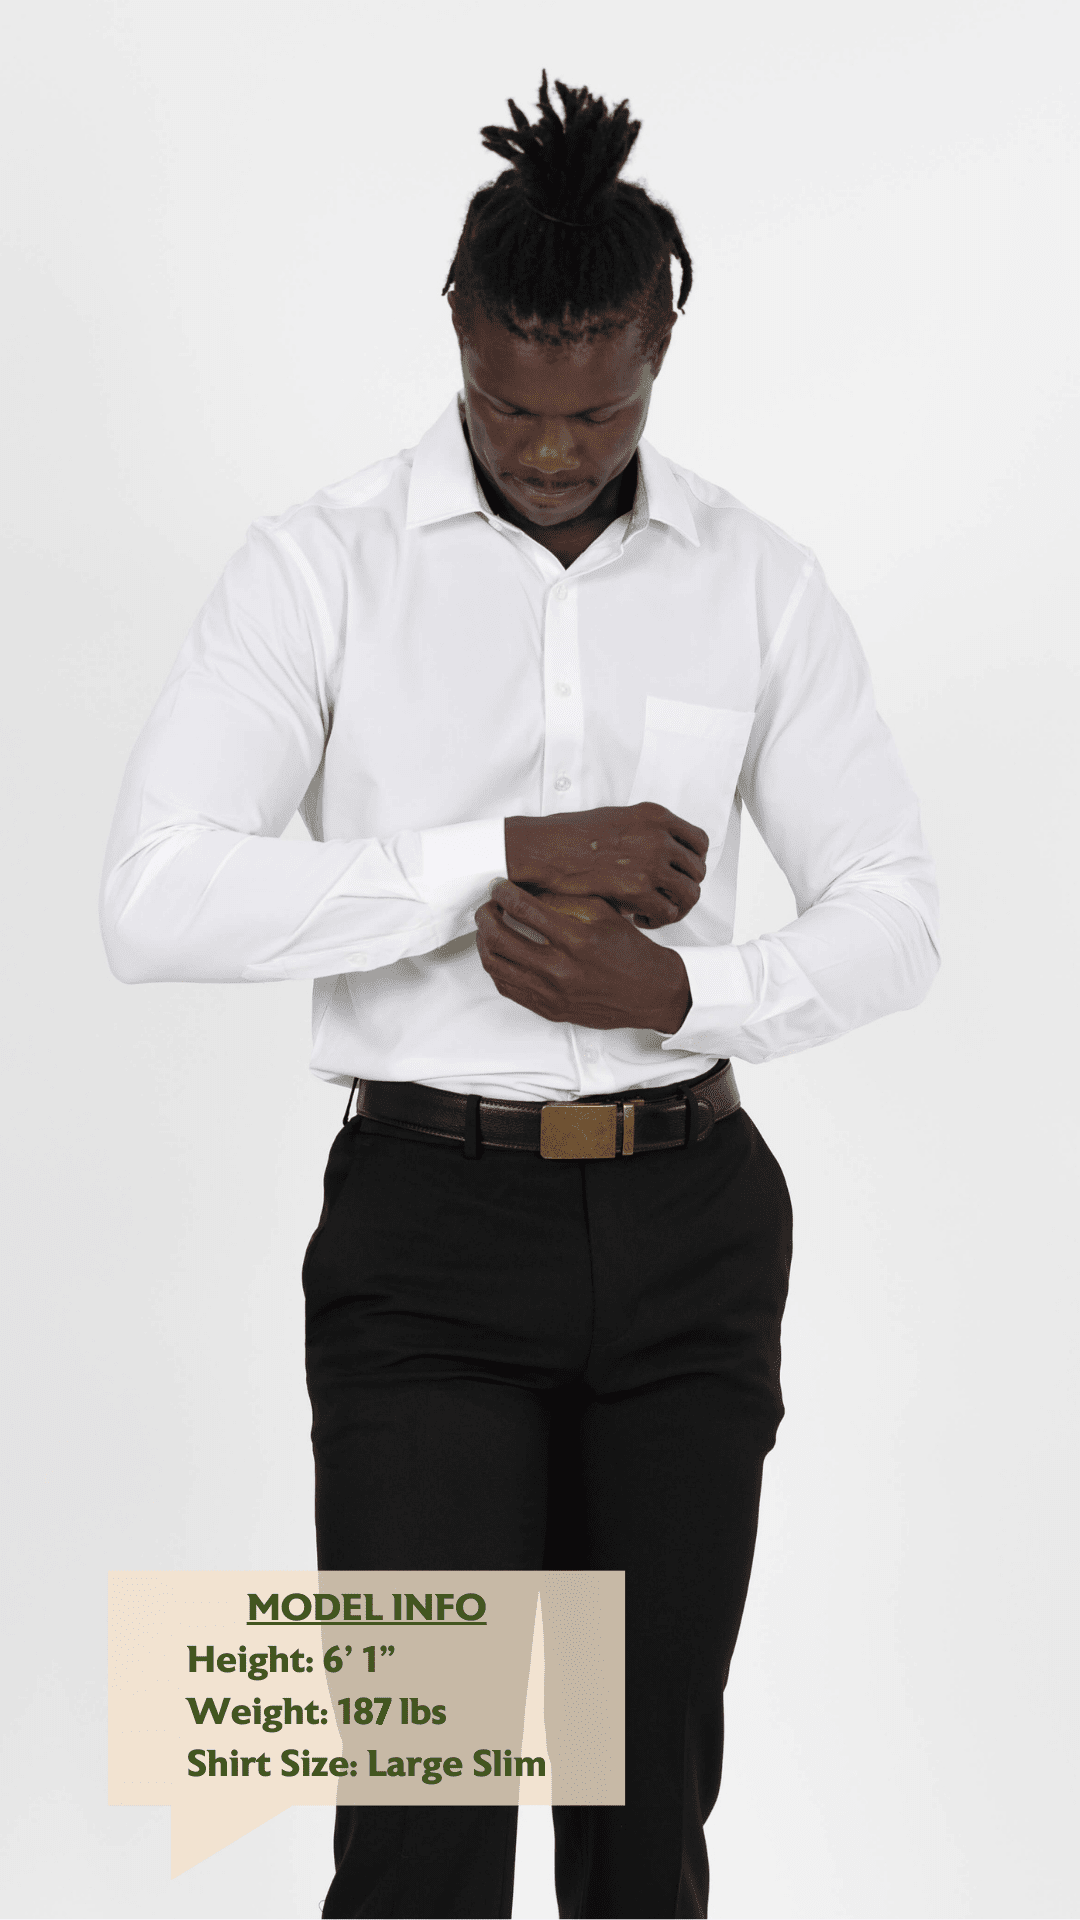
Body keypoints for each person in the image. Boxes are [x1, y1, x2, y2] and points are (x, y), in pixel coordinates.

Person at [100, 70, 940, 1920]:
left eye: (601, 407)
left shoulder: (759, 582)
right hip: (431, 1246)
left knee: (643, 1825)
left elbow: (896, 912)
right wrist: (495, 850)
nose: (553, 447)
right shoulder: (318, 568)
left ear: (661, 347)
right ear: (456, 334)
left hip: (693, 1230)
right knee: (423, 1829)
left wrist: (684, 988)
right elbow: (154, 899)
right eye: (510, 405)